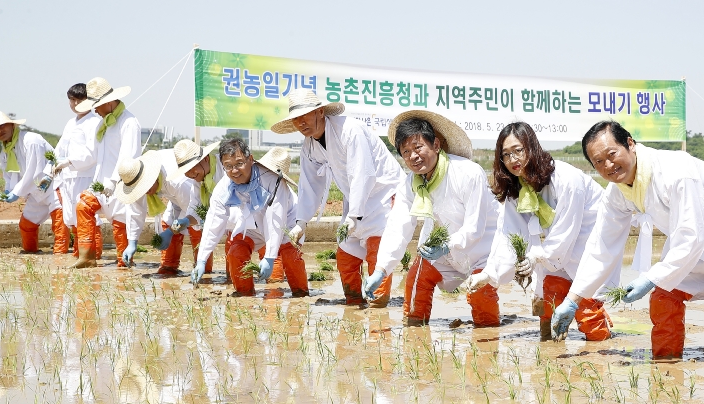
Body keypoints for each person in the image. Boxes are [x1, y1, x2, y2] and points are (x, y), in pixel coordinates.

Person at [552, 120, 704, 367]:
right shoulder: (617, 193)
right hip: (690, 231)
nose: (609, 165)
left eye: (611, 154)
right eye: (599, 162)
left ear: (630, 145)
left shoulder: (675, 170)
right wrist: (573, 299)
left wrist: (650, 277)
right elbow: (600, 247)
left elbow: (692, 238)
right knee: (665, 295)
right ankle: (665, 366)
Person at [463, 122, 612, 341]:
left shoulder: (566, 179)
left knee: (587, 305)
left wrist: (537, 255)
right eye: (506, 154)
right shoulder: (518, 188)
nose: (513, 159)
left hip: (589, 237)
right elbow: (509, 235)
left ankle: (601, 349)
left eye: (518, 151)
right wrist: (489, 273)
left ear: (532, 147)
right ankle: (549, 349)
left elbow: (566, 232)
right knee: (549, 293)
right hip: (558, 245)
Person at [363, 111, 503, 327]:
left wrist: (448, 245)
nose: (413, 156)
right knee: (417, 278)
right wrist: (381, 270)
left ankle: (487, 337)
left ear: (436, 144)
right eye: (405, 151)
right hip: (445, 250)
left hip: (483, 249)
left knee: (482, 299)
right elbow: (397, 227)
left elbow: (475, 227)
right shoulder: (411, 183)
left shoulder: (468, 173)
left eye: (418, 147)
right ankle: (415, 331)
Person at [271, 89, 403, 307]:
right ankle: (354, 302)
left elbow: (364, 173)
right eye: (296, 119)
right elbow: (310, 185)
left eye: (305, 115)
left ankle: (378, 308)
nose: (301, 123)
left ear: (320, 112)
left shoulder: (349, 130)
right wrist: (301, 222)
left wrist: (355, 215)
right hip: (356, 202)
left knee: (377, 252)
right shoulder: (310, 146)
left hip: (383, 196)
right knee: (345, 257)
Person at [190, 139, 308, 297]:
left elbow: (276, 218)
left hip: (286, 222)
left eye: (239, 163)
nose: (234, 171)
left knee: (289, 256)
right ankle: (244, 294)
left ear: (250, 160)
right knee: (235, 251)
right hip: (252, 222)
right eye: (228, 166)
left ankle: (301, 295)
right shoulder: (224, 187)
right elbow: (214, 221)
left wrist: (270, 256)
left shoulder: (272, 179)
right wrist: (202, 260)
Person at [70, 78, 141, 268]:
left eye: (96, 106)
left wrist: (113, 181)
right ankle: (87, 257)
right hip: (100, 184)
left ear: (108, 103)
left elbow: (129, 157)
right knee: (83, 205)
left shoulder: (129, 122)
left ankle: (125, 269)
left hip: (120, 187)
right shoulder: (103, 123)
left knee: (121, 229)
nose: (94, 110)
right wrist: (68, 162)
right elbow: (93, 154)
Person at [0, 111, 68, 254]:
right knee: (26, 224)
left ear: (12, 125)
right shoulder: (5, 152)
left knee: (59, 224)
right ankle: (31, 252)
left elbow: (34, 171)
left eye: (3, 125)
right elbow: (9, 175)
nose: (0, 130)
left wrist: (16, 192)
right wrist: (8, 190)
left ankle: (60, 259)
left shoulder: (31, 140)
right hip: (35, 192)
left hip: (53, 186)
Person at [40, 83, 102, 259]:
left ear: (88, 101)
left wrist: (68, 162)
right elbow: (59, 150)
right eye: (72, 100)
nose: (74, 104)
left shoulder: (94, 122)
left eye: (79, 100)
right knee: (71, 217)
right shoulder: (70, 123)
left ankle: (93, 254)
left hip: (84, 175)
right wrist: (48, 173)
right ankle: (79, 254)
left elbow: (91, 152)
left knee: (87, 215)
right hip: (67, 177)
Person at [112, 149, 199, 273]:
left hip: (196, 196)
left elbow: (194, 211)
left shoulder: (178, 181)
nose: (143, 193)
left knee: (197, 228)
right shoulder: (137, 174)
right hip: (175, 196)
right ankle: (169, 267)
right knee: (169, 221)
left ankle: (204, 269)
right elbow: (135, 211)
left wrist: (170, 231)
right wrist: (132, 242)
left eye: (143, 188)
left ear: (151, 178)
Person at [170, 139, 225, 277]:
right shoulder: (199, 180)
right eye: (186, 172)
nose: (190, 175)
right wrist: (185, 221)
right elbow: (196, 207)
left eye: (192, 169)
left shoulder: (226, 168)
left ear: (206, 158)